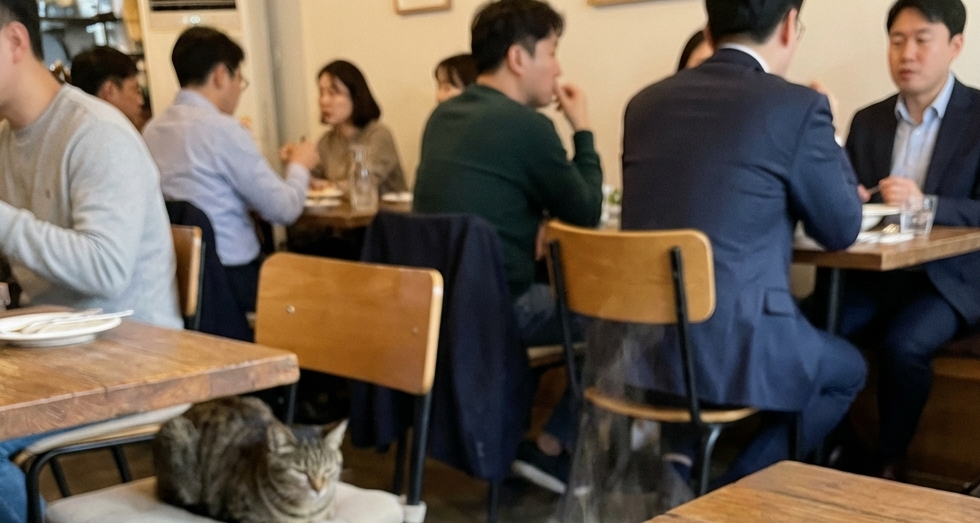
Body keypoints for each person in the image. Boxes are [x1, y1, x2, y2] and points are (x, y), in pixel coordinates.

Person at [0, 0, 181, 523]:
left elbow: (103, 269)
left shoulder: (94, 132)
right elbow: (31, 271)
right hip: (56, 347)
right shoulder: (5, 140)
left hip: (139, 357)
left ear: (14, 39)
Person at [622, 0, 867, 485]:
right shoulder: (797, 106)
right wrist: (832, 135)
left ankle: (680, 467)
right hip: (738, 341)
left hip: (643, 345)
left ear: (709, 26)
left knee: (705, 326)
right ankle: (733, 491)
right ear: (791, 24)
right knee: (848, 371)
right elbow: (841, 228)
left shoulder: (644, 104)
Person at [414, 0, 603, 491]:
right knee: (625, 317)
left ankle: (537, 439)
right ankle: (551, 448)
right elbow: (585, 210)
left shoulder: (442, 118)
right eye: (553, 51)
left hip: (440, 311)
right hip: (501, 309)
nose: (558, 67)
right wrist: (582, 128)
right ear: (520, 58)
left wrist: (535, 219)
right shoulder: (528, 128)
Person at [842, 0, 980, 478]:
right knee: (818, 328)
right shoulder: (867, 120)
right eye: (897, 40)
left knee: (904, 346)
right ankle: (840, 450)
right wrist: (850, 197)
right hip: (874, 276)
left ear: (955, 46)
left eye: (922, 40)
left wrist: (926, 204)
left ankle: (887, 462)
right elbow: (850, 206)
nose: (907, 53)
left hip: (950, 280)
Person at [144, 26, 319, 314]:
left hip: (173, 277)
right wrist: (300, 165)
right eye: (240, 78)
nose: (239, 88)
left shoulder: (152, 131)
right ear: (221, 75)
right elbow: (283, 209)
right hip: (232, 279)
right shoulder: (222, 130)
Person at [306, 60, 406, 195]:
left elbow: (363, 185)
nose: (324, 101)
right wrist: (298, 163)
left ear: (355, 96)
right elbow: (312, 182)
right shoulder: (326, 141)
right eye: (321, 92)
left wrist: (327, 186)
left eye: (333, 92)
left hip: (385, 214)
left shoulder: (378, 134)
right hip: (343, 215)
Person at [69, 45, 146, 130]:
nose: (140, 101)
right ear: (109, 91)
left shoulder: (74, 131)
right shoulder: (112, 139)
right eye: (136, 90)